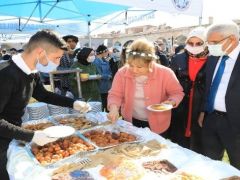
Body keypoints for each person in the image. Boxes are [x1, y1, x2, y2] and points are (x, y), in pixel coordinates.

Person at [0, 30, 91, 179]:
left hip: (14, 134)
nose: (58, 63)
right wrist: (31, 135)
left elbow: (43, 94)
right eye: (56, 58)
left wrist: (73, 103)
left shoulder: (32, 72)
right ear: (40, 52)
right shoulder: (5, 74)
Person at [107, 39, 184, 136]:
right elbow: (115, 94)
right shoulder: (122, 73)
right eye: (131, 65)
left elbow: (177, 92)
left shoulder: (165, 73)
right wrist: (114, 108)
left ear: (150, 63)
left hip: (159, 122)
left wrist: (172, 101)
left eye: (139, 67)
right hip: (131, 121)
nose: (134, 70)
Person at [201, 21, 240, 169]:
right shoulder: (213, 58)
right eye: (208, 42)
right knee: (211, 163)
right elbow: (209, 87)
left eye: (215, 42)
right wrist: (203, 111)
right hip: (211, 119)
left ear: (232, 39)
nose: (210, 46)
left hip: (235, 125)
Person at [169, 27, 208, 153]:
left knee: (199, 146)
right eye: (191, 43)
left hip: (201, 108)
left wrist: (204, 110)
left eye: (199, 43)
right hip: (180, 107)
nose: (194, 46)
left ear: (205, 43)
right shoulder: (177, 59)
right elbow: (170, 83)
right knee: (179, 144)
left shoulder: (213, 60)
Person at [93, 44, 112, 111]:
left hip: (107, 87)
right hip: (101, 88)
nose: (108, 53)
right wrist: (108, 76)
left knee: (108, 107)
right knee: (101, 106)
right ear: (103, 52)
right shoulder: (96, 62)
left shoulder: (105, 61)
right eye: (107, 52)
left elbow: (109, 70)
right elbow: (99, 74)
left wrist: (110, 75)